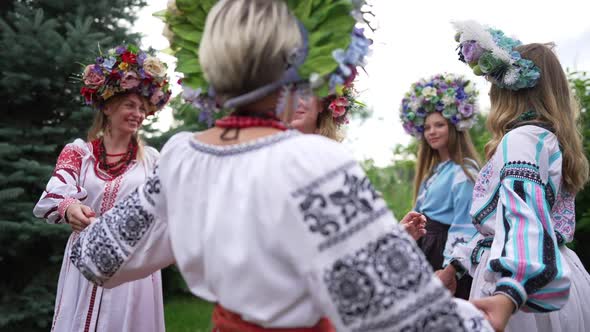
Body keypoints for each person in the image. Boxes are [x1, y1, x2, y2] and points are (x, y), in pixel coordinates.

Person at [69, 1, 492, 331]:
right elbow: (399, 312)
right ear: (296, 62)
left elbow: (96, 257)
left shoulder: (182, 154)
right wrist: (484, 318)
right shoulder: (314, 160)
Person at [446, 20, 590, 331]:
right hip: (557, 269)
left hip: (522, 285)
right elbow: (507, 224)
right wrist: (456, 267)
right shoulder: (546, 139)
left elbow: (522, 220)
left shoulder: (522, 140)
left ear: (507, 90)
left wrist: (510, 291)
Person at [33, 45, 171, 332]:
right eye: (130, 105)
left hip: (133, 266)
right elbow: (56, 190)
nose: (138, 114)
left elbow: (167, 212)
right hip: (85, 260)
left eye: (142, 108)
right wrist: (69, 206)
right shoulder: (79, 152)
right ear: (108, 106)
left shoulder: (153, 161)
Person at [399, 73, 481, 300]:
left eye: (439, 125)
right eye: (427, 127)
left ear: (454, 127)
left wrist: (449, 270)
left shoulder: (464, 172)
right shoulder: (435, 171)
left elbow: (466, 225)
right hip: (424, 250)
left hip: (443, 255)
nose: (432, 132)